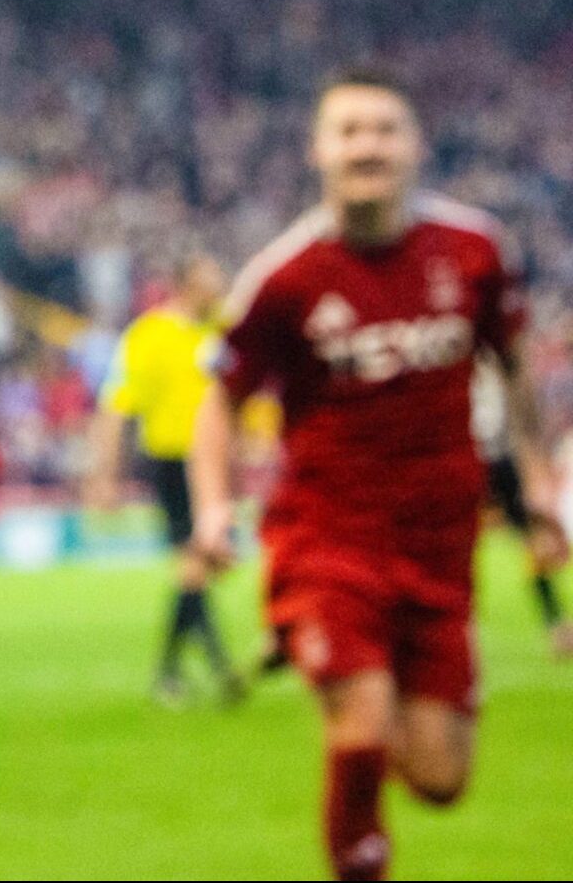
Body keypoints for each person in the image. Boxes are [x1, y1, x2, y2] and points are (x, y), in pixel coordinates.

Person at [190, 70, 567, 883]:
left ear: (415, 145)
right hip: (331, 533)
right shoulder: (284, 277)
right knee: (360, 723)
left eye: (384, 129)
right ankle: (329, 655)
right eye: (350, 130)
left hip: (440, 538)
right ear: (319, 149)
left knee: (439, 779)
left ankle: (350, 665)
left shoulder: (476, 250)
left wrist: (538, 487)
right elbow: (218, 402)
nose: (368, 145)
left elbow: (513, 370)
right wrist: (215, 511)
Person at [83, 253, 242, 704]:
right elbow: (116, 409)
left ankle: (207, 665)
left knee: (203, 566)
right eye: (212, 272)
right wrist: (105, 476)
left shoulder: (219, 328)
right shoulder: (149, 334)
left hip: (215, 463)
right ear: (186, 282)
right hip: (172, 460)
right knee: (195, 563)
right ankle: (185, 670)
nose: (220, 280)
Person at [472, 365, 573, 657]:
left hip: (499, 459)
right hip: (475, 458)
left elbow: (522, 415)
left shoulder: (495, 366)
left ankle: (556, 624)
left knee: (535, 543)